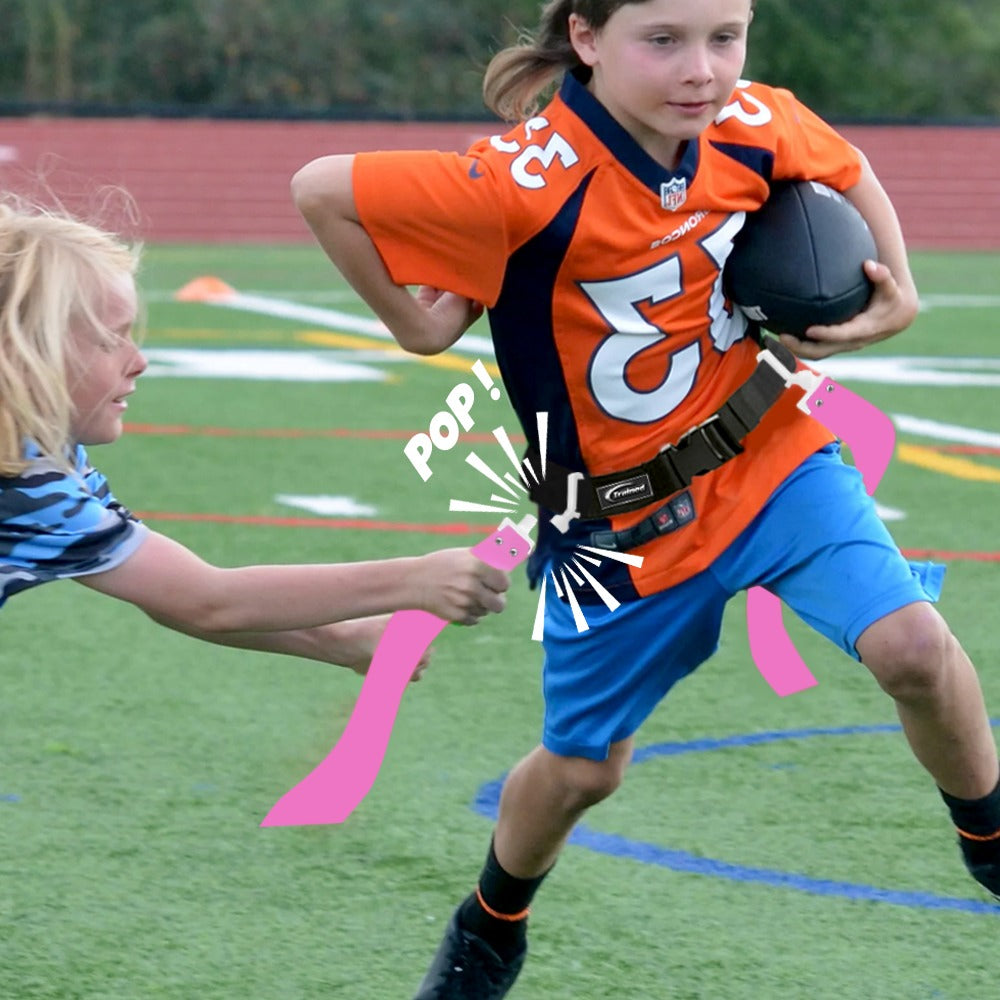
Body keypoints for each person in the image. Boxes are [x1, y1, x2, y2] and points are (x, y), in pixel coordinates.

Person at [289, 0, 1000, 996]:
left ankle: (990, 845)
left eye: (724, 36)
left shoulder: (752, 122)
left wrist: (902, 287)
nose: (702, 68)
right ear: (585, 38)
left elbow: (844, 168)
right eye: (662, 39)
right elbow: (321, 187)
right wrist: (414, 325)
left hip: (765, 456)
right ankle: (493, 918)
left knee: (914, 647)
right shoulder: (520, 182)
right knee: (582, 771)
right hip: (616, 525)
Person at [0, 196, 511, 690]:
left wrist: (340, 640)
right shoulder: (26, 483)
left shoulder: (43, 453)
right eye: (111, 339)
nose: (139, 360)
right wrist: (413, 580)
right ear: (26, 351)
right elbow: (209, 600)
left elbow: (172, 596)